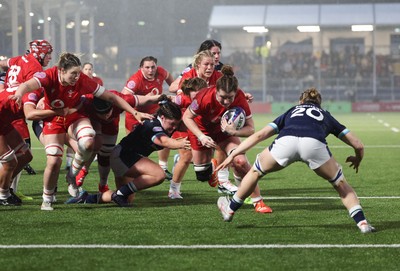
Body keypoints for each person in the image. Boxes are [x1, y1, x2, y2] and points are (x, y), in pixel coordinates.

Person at [216, 87, 376, 233]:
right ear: (319, 104)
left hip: (286, 142)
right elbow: (358, 145)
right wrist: (357, 158)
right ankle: (362, 224)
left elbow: (259, 135)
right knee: (341, 185)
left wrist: (233, 154)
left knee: (255, 172)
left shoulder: (292, 111)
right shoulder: (325, 115)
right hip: (314, 145)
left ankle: (230, 210)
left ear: (300, 102)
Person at [10, 52, 153, 211]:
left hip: (75, 116)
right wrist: (18, 93)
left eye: (79, 73)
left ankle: (72, 174)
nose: (77, 77)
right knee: (54, 161)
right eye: (73, 73)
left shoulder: (83, 80)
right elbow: (27, 85)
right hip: (54, 120)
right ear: (62, 71)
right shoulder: (48, 75)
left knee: (89, 141)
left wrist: (134, 112)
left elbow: (111, 97)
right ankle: (47, 199)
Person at [67, 95, 191, 206]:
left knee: (126, 198)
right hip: (123, 156)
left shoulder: (168, 124)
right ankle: (120, 194)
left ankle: (87, 198)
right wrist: (179, 143)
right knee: (159, 174)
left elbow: (190, 123)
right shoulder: (153, 125)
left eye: (176, 124)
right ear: (162, 117)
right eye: (172, 124)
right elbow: (163, 141)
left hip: (125, 158)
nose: (174, 128)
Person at [183, 65, 272, 214]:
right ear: (215, 91)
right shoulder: (204, 97)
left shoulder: (240, 97)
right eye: (222, 97)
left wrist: (233, 131)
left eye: (229, 98)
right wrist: (201, 136)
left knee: (240, 162)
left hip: (225, 133)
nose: (225, 101)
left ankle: (258, 201)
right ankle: (212, 167)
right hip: (202, 130)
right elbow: (187, 117)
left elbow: (251, 129)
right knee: (202, 175)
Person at [73, 90, 161, 193]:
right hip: (92, 121)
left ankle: (103, 184)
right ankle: (83, 170)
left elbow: (146, 99)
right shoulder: (86, 101)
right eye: (101, 113)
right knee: (92, 144)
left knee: (105, 155)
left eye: (107, 111)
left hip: (111, 126)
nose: (105, 116)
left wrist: (166, 97)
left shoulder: (119, 99)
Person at [0, 40, 53, 200]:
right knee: (9, 160)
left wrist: (4, 85)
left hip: (7, 114)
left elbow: (3, 63)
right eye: (48, 54)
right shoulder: (35, 74)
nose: (50, 58)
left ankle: (5, 187)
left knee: (25, 156)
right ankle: (3, 195)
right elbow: (30, 113)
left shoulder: (18, 60)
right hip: (6, 109)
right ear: (40, 53)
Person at [121, 56, 175, 180]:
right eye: (147, 68)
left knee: (165, 136)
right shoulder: (135, 80)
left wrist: (176, 92)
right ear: (141, 68)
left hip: (155, 113)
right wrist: (145, 98)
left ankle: (163, 167)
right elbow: (123, 98)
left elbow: (171, 81)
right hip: (136, 116)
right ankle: (133, 171)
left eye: (153, 67)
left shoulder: (161, 72)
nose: (150, 70)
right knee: (132, 147)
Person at [168, 77, 208, 199]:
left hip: (197, 129)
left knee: (200, 159)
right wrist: (176, 122)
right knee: (187, 156)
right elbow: (167, 108)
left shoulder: (208, 97)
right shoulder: (181, 99)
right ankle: (173, 190)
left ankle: (178, 160)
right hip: (182, 129)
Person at [65, 62, 104, 172]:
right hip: (80, 110)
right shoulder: (77, 80)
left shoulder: (98, 81)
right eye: (86, 69)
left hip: (92, 110)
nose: (88, 71)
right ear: (82, 70)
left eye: (90, 69)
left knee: (93, 134)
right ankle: (69, 161)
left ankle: (90, 157)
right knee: (74, 137)